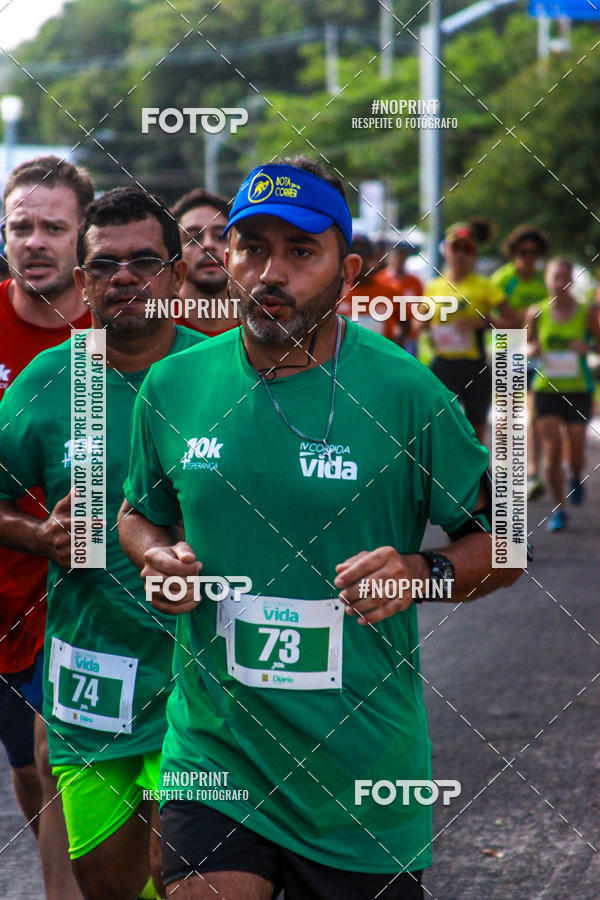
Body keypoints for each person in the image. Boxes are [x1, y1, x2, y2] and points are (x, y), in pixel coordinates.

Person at [118, 156, 521, 900]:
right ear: (225, 257)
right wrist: (157, 557)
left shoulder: (407, 395)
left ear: (350, 269)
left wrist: (423, 571)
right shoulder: (175, 384)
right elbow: (138, 513)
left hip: (358, 771)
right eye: (252, 247)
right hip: (216, 749)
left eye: (301, 252)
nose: (272, 272)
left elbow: (507, 541)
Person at [0, 187, 205, 899]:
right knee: (111, 885)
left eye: (145, 262)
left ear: (178, 275)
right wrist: (39, 534)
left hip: (202, 679)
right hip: (94, 685)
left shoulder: (228, 373)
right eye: (105, 265)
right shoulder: (53, 379)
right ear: (83, 282)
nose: (125, 278)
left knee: (187, 872)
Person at [0, 154, 93, 899]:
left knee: (63, 758)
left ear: (83, 238)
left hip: (89, 598)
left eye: (52, 228)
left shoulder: (121, 330)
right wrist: (34, 537)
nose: (33, 241)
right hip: (5, 594)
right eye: (19, 226)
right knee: (30, 771)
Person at [423, 220, 519, 444]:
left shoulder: (484, 285)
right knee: (442, 426)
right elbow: (420, 323)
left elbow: (514, 324)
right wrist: (429, 325)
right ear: (446, 249)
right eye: (455, 247)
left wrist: (484, 322)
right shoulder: (433, 286)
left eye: (467, 249)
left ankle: (478, 477)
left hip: (474, 366)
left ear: (474, 253)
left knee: (476, 429)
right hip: (442, 365)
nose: (460, 255)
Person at [526, 258, 600, 532]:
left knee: (577, 450)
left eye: (564, 278)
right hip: (546, 390)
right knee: (552, 451)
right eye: (554, 277)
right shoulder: (536, 312)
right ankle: (558, 508)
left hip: (578, 389)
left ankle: (577, 474)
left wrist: (587, 346)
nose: (559, 283)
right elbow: (528, 345)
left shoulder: (586, 313)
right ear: (546, 280)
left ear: (572, 281)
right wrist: (532, 351)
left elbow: (598, 345)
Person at [491, 226, 549, 501]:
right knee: (506, 411)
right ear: (513, 254)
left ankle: (533, 473)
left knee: (534, 412)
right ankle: (502, 470)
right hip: (507, 346)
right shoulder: (503, 279)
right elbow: (490, 317)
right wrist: (521, 321)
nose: (528, 258)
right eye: (522, 253)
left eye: (534, 254)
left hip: (537, 351)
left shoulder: (543, 281)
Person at [170, 187, 235, 335]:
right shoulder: (151, 322)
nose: (207, 245)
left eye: (220, 236)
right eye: (193, 238)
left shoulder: (264, 322)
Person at [380, 240, 423, 354]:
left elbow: (420, 306)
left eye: (403, 255)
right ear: (389, 257)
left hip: (410, 336)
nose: (399, 259)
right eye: (396, 254)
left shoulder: (415, 281)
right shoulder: (380, 280)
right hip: (387, 336)